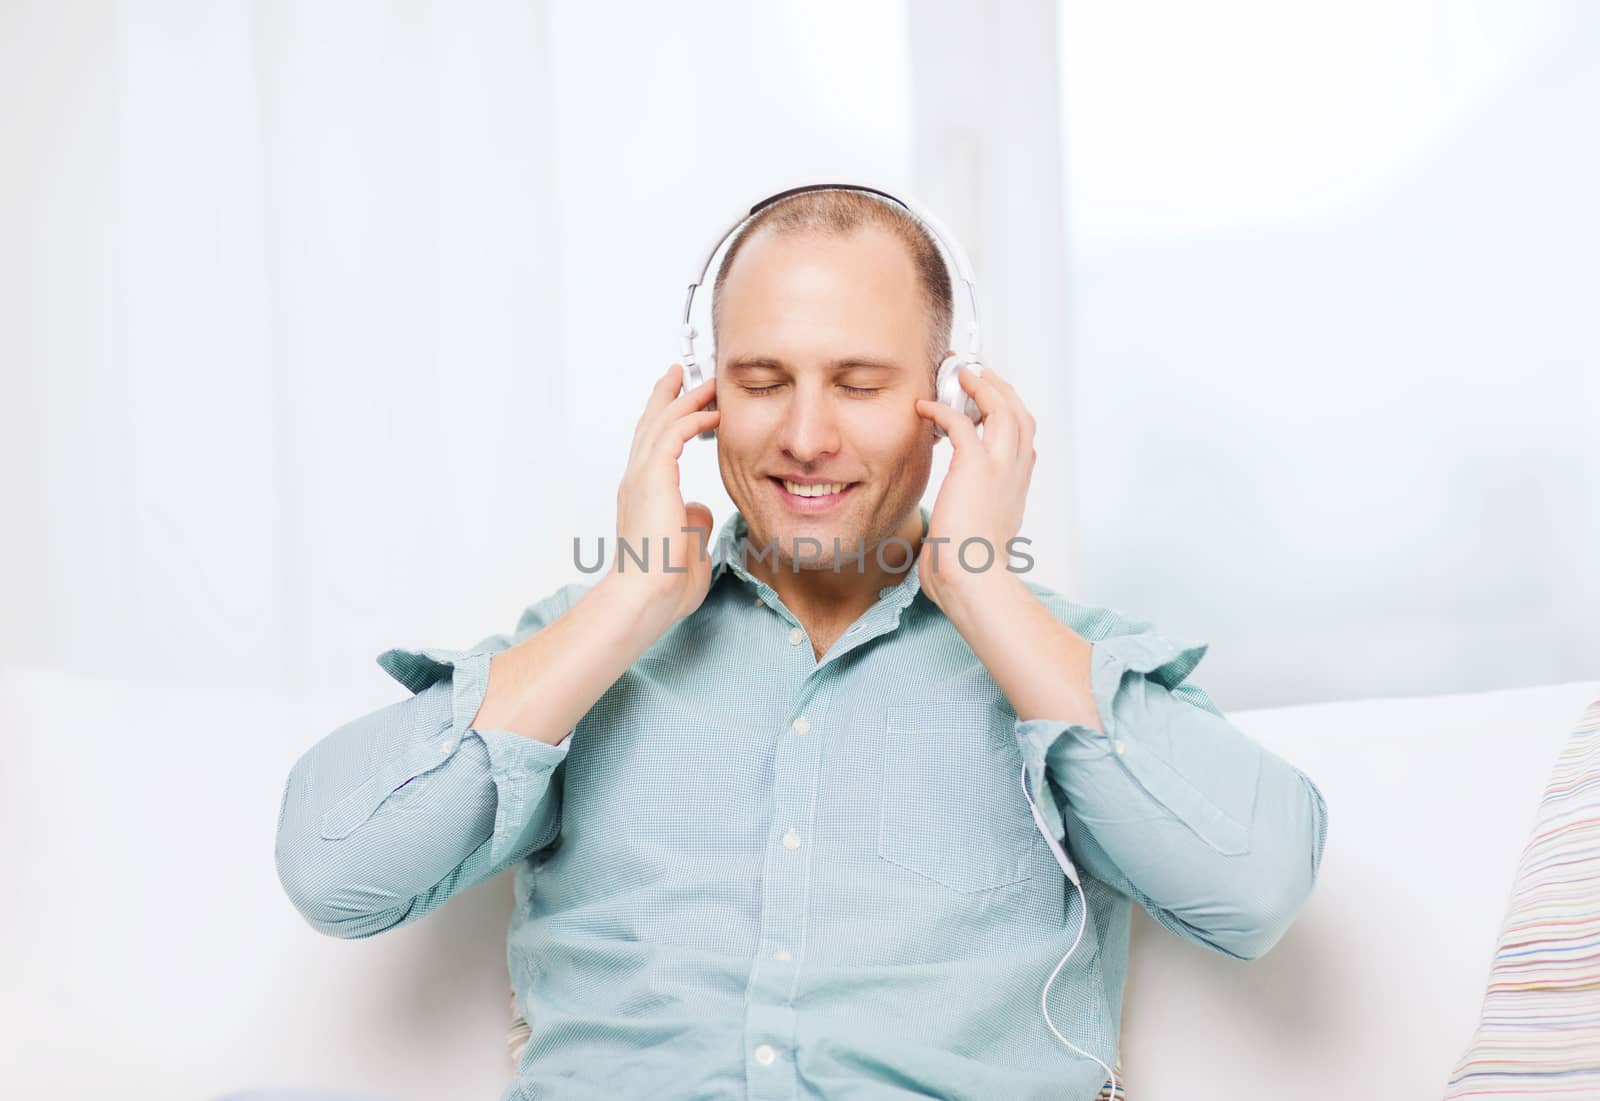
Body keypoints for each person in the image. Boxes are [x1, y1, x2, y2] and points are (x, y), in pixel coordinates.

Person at [274, 186, 1329, 1101]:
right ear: (703, 396)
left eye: (859, 384)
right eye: (763, 381)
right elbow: (335, 869)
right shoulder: (584, 651)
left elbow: (1254, 886)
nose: (806, 436)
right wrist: (631, 599)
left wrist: (978, 589)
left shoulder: (1065, 665)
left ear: (948, 403)